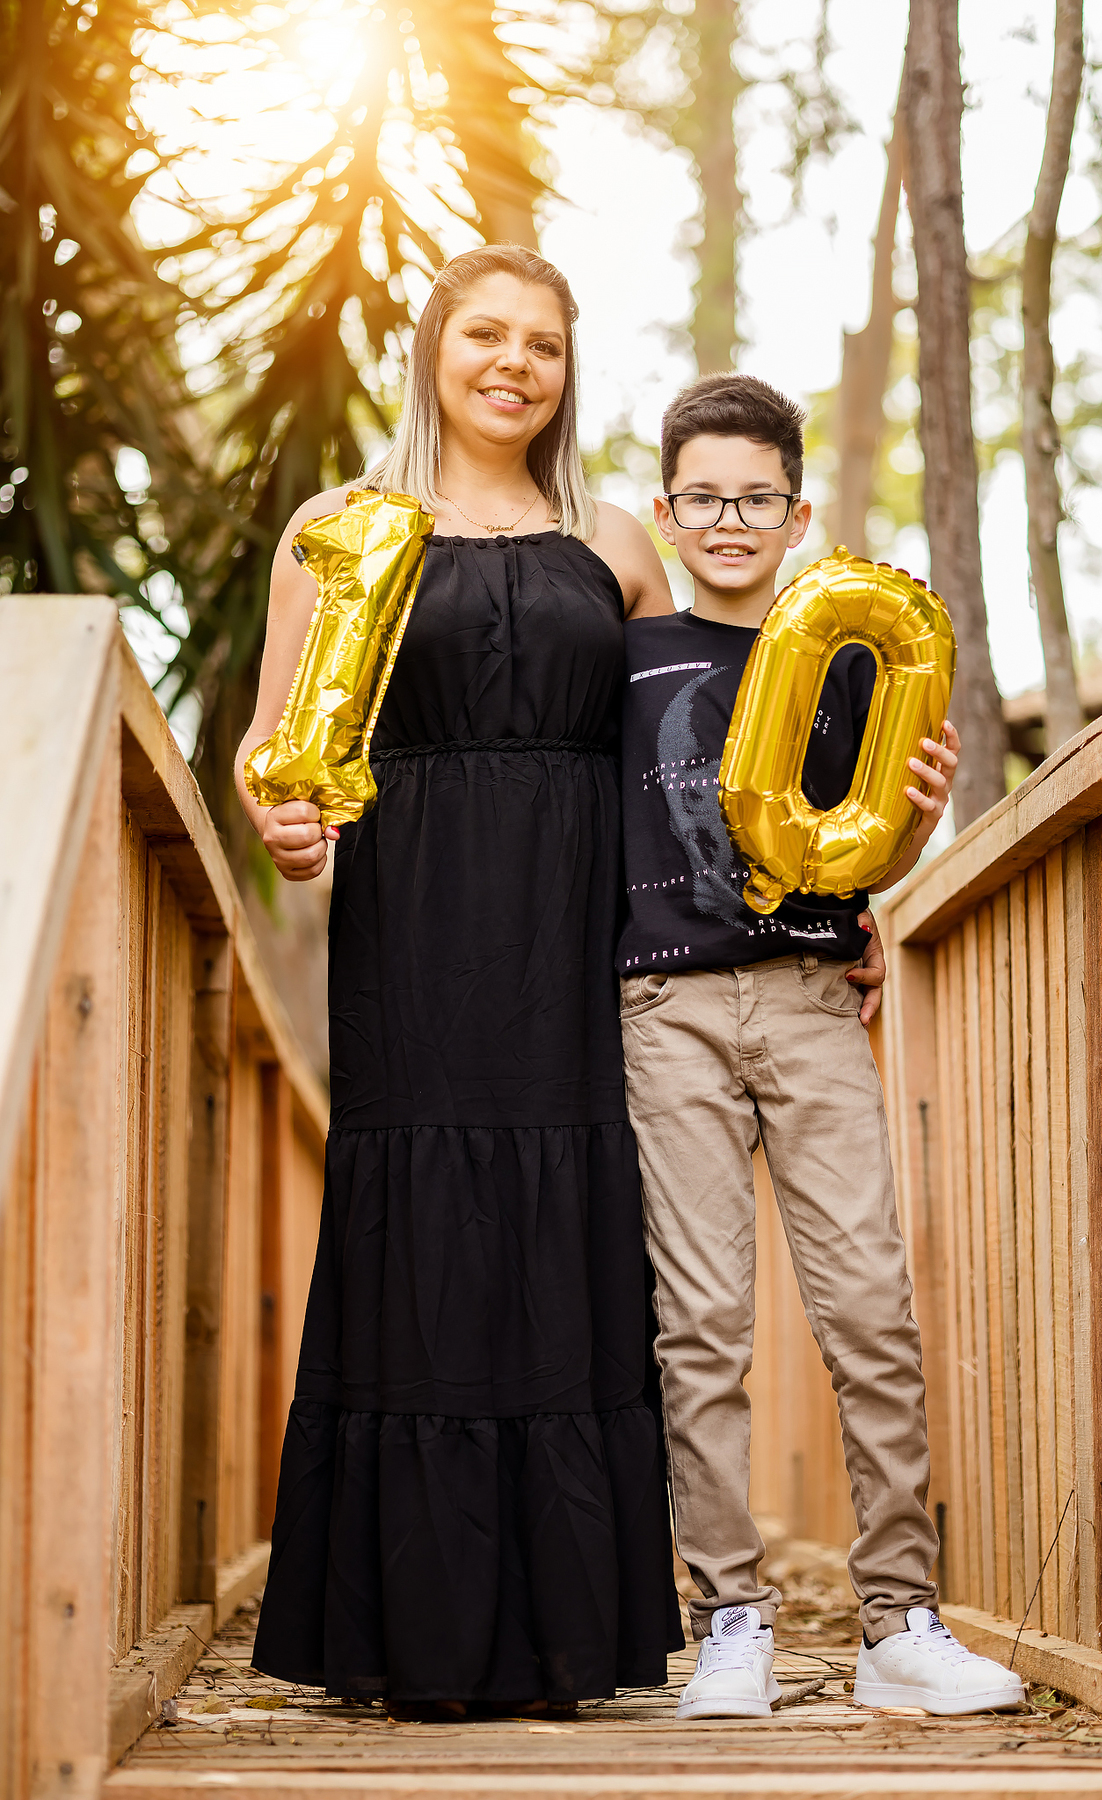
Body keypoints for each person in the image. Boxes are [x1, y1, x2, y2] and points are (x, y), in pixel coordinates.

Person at [235, 243, 684, 1716]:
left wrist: (824, 913)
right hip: (416, 934)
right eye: (484, 335)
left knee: (570, 1224)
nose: (514, 363)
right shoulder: (344, 527)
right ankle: (403, 1632)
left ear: (568, 368)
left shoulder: (617, 543)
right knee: (420, 1227)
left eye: (542, 344)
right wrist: (286, 824)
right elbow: (269, 751)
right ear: (433, 351)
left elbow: (679, 769)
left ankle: (570, 1635)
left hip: (575, 946)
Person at [618, 373, 1025, 1720]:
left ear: (796, 515)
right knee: (702, 1328)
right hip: (661, 1011)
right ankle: (728, 1615)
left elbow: (875, 859)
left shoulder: (845, 655)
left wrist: (915, 824)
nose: (728, 520)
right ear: (667, 507)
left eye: (755, 499)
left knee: (870, 1313)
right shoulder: (626, 660)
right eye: (702, 498)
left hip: (807, 997)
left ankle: (900, 1620)